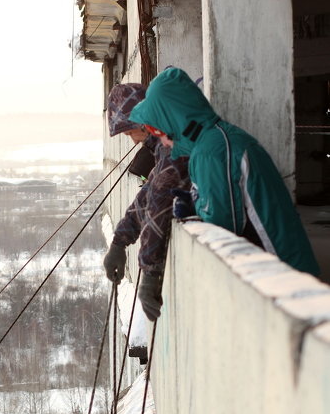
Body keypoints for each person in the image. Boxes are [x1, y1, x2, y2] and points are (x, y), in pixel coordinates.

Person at [129, 67, 320, 276]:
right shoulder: (215, 142)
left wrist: (196, 212)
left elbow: (223, 227)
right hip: (280, 272)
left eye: (158, 130)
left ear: (173, 122)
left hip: (284, 276)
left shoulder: (212, 152)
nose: (161, 140)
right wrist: (197, 202)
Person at [103, 82, 190, 320]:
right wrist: (119, 242)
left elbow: (159, 203)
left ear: (143, 122)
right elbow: (148, 194)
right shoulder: (167, 144)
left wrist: (150, 273)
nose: (132, 141)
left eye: (130, 132)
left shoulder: (174, 147)